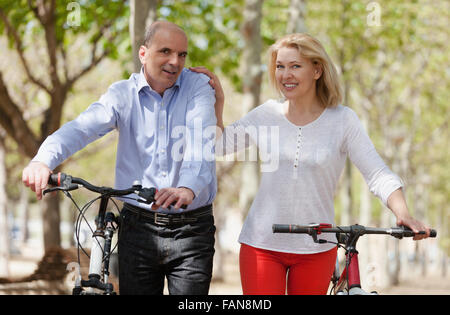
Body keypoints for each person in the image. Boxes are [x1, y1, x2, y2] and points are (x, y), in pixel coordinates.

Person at [191, 33, 431, 295]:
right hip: (262, 244)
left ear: (317, 69)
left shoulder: (343, 121)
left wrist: (403, 213)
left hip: (317, 247)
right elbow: (218, 145)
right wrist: (219, 103)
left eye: (295, 66)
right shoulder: (266, 114)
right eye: (280, 67)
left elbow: (377, 174)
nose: (285, 75)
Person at [22, 21, 218, 295]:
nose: (175, 61)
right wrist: (42, 160)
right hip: (138, 228)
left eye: (182, 54)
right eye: (165, 51)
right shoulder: (122, 95)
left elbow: (201, 140)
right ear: (143, 54)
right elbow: (81, 128)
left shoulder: (198, 86)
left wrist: (187, 187)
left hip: (192, 230)